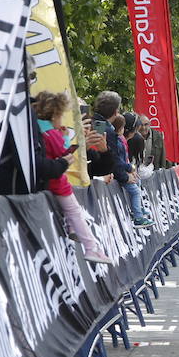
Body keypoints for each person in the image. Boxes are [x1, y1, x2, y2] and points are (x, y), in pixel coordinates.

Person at [35, 92, 113, 264]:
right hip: (59, 184)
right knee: (75, 212)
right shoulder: (50, 133)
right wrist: (69, 141)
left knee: (73, 212)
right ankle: (91, 248)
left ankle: (74, 229)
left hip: (56, 183)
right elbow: (63, 153)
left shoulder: (43, 131)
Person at [93, 92, 153, 228]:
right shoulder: (106, 128)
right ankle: (138, 215)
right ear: (115, 112)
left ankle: (139, 210)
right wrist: (126, 174)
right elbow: (111, 157)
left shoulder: (99, 123)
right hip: (105, 174)